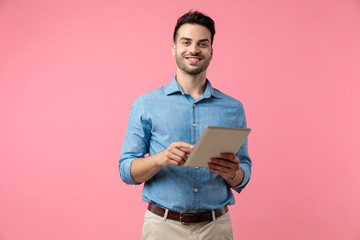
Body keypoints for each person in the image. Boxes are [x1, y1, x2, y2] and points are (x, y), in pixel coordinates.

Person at [119, 10, 252, 240]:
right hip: (163, 227)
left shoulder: (233, 107)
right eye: (186, 42)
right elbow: (126, 170)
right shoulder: (146, 104)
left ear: (211, 51)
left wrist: (234, 173)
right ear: (173, 48)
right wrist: (159, 159)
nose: (194, 50)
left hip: (216, 228)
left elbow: (245, 171)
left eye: (203, 43)